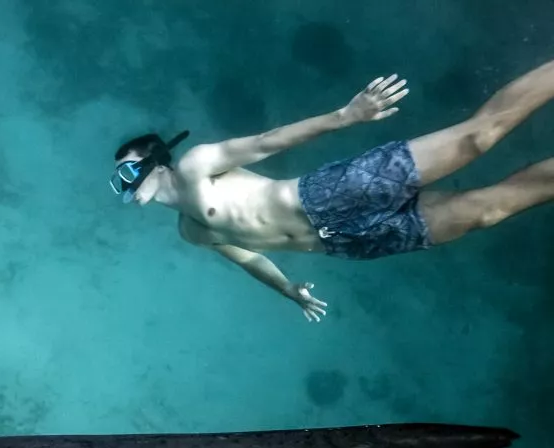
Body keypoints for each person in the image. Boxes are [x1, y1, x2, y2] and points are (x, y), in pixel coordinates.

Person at [110, 59, 554, 321]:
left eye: (126, 172)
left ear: (153, 159)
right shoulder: (190, 232)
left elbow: (267, 142)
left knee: (476, 138)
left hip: (330, 195)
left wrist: (346, 115)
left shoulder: (194, 165)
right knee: (486, 212)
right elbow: (248, 256)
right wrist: (287, 289)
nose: (124, 187)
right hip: (347, 243)